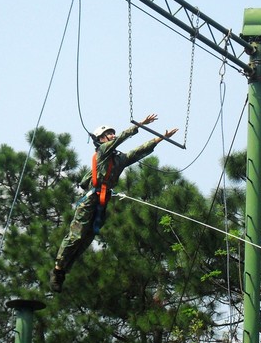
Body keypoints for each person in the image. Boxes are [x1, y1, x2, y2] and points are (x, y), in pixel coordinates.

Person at [50, 114, 178, 293]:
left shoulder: (119, 159)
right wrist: (140, 124)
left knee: (87, 238)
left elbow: (138, 151)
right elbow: (120, 140)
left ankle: (64, 270)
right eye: (109, 134)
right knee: (76, 236)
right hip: (90, 199)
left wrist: (160, 139)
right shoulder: (102, 152)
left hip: (102, 201)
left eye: (112, 133)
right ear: (101, 139)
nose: (112, 136)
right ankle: (57, 269)